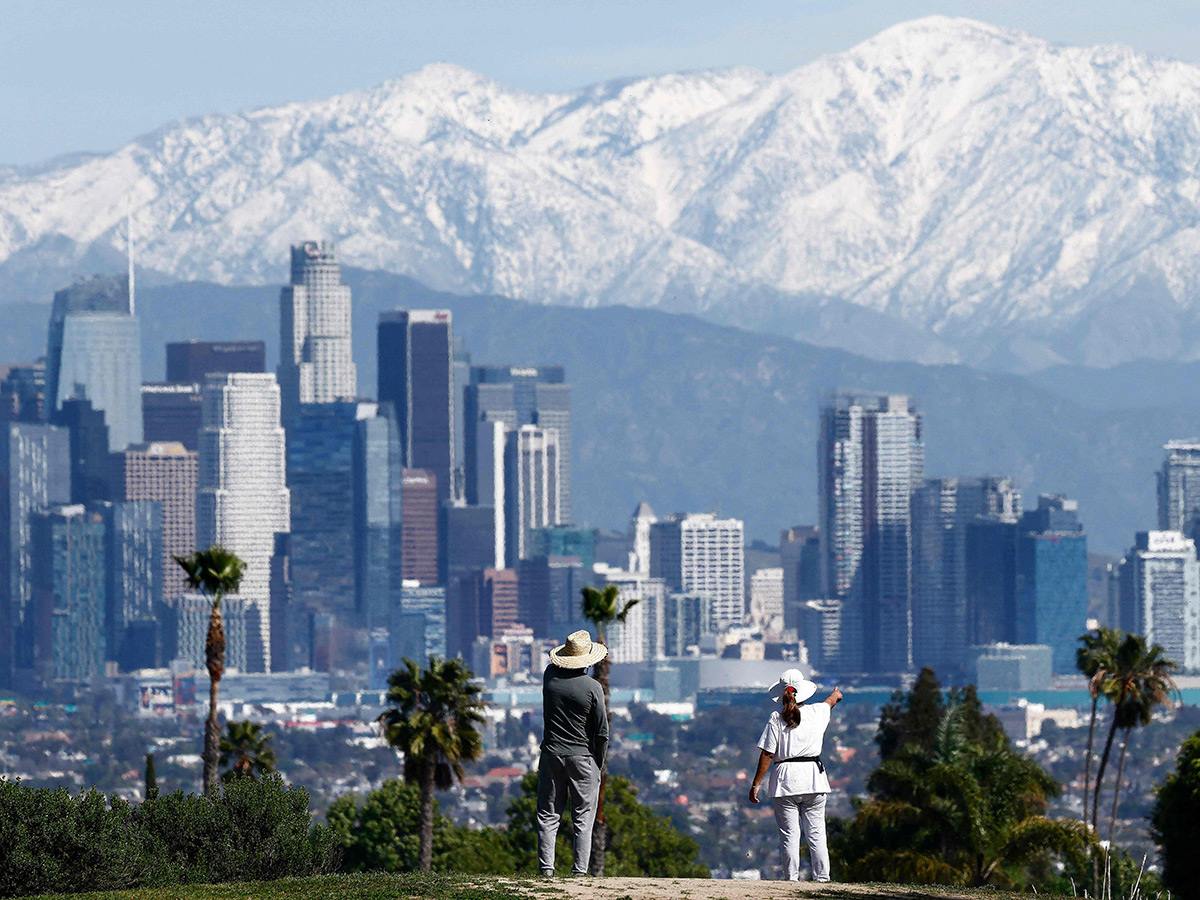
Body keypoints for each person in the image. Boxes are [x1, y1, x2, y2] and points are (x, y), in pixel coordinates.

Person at [749, 669, 843, 882]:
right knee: (816, 834)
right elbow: (831, 701)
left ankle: (791, 879)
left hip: (785, 782)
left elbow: (768, 753)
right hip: (813, 779)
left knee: (790, 836)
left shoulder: (776, 718)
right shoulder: (818, 711)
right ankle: (822, 878)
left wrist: (756, 784)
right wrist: (836, 694)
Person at [536, 629, 609, 876]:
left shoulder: (550, 679)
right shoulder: (593, 687)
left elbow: (553, 668)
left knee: (548, 815)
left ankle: (546, 870)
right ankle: (579, 872)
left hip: (551, 754)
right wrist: (598, 762)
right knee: (583, 819)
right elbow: (602, 731)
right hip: (583, 757)